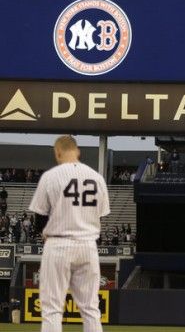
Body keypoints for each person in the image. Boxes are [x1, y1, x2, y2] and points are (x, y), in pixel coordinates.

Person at [28, 135, 110, 332]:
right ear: (78, 151)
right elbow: (101, 216)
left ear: (57, 152)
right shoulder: (97, 178)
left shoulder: (50, 176)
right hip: (88, 246)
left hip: (58, 244)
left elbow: (39, 216)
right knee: (91, 309)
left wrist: (45, 233)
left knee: (52, 309)